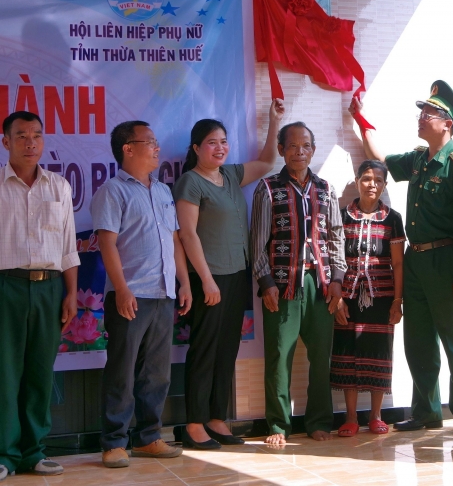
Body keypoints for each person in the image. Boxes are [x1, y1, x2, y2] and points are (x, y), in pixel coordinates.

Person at [350, 80, 453, 435]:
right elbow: (380, 160)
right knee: (418, 340)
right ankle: (425, 410)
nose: (421, 117)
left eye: (429, 113)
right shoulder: (419, 160)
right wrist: (361, 120)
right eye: (422, 111)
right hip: (416, 259)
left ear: (447, 123)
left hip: (447, 259)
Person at [0, 111, 79, 484]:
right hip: (2, 288)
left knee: (40, 373)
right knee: (4, 375)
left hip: (49, 288)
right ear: (6, 142)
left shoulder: (59, 186)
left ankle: (33, 452)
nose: (31, 142)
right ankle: (1, 455)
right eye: (22, 136)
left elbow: (67, 247)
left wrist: (71, 292)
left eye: (37, 136)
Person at [173, 100, 284, 449]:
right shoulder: (191, 182)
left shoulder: (232, 174)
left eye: (223, 141)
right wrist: (204, 280)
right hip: (210, 277)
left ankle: (217, 418)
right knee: (204, 350)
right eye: (211, 142)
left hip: (238, 275)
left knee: (227, 349)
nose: (219, 147)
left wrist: (273, 121)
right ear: (196, 148)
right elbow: (187, 234)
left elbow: (267, 162)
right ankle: (193, 424)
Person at [91, 120, 192, 468]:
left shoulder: (164, 192)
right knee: (122, 371)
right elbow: (106, 243)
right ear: (128, 149)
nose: (157, 148)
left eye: (156, 141)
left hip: (164, 294)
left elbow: (175, 241)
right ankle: (114, 442)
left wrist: (185, 284)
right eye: (149, 142)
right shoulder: (113, 191)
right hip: (130, 296)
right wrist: (121, 289)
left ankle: (149, 437)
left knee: (157, 373)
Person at [250, 122, 347, 445]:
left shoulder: (326, 189)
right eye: (292, 146)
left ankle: (319, 421)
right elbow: (258, 242)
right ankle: (278, 426)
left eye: (305, 145)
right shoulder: (267, 188)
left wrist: (337, 279)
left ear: (313, 150)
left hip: (320, 286)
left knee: (322, 358)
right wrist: (266, 283)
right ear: (281, 150)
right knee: (279, 356)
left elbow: (336, 237)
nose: (299, 152)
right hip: (282, 285)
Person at [331, 160, 405, 437]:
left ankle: (376, 416)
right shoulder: (341, 215)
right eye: (366, 178)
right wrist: (336, 298)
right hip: (347, 296)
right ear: (357, 181)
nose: (372, 184)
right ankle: (350, 418)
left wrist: (398, 301)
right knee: (347, 353)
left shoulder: (392, 218)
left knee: (379, 352)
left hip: (381, 297)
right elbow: (333, 258)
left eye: (378, 180)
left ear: (384, 185)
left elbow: (397, 264)